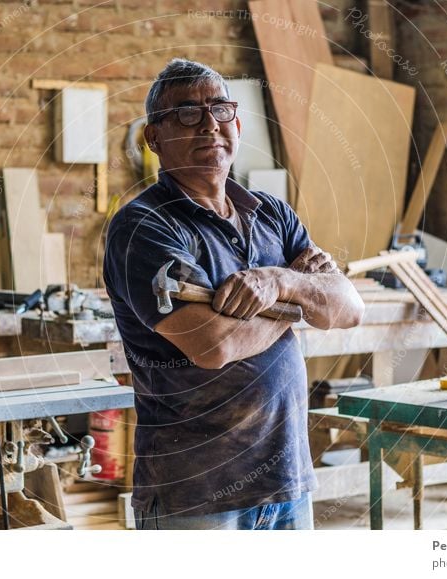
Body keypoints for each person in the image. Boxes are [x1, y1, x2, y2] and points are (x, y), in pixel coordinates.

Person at [103, 58, 364, 530]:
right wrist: (300, 302)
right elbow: (214, 344)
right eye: (186, 113)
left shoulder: (271, 214)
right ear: (153, 137)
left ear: (238, 124)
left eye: (220, 110)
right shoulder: (143, 227)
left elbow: (348, 309)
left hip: (286, 481)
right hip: (196, 493)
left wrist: (280, 281)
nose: (209, 125)